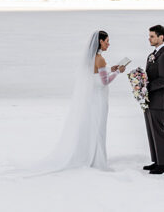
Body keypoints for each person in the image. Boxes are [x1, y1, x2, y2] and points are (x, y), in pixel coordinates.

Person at [27, 30, 126, 174]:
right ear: (100, 41)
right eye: (107, 41)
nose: (108, 44)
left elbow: (96, 74)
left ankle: (90, 155)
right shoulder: (101, 59)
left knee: (93, 126)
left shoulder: (92, 58)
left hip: (92, 98)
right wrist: (118, 72)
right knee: (99, 128)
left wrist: (111, 69)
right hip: (99, 98)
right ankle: (98, 160)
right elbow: (104, 81)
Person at [143, 24, 164, 175]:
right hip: (150, 99)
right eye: (149, 36)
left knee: (159, 131)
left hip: (159, 99)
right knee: (151, 131)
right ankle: (156, 160)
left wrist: (146, 87)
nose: (149, 38)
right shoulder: (153, 54)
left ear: (161, 37)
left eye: (152, 36)